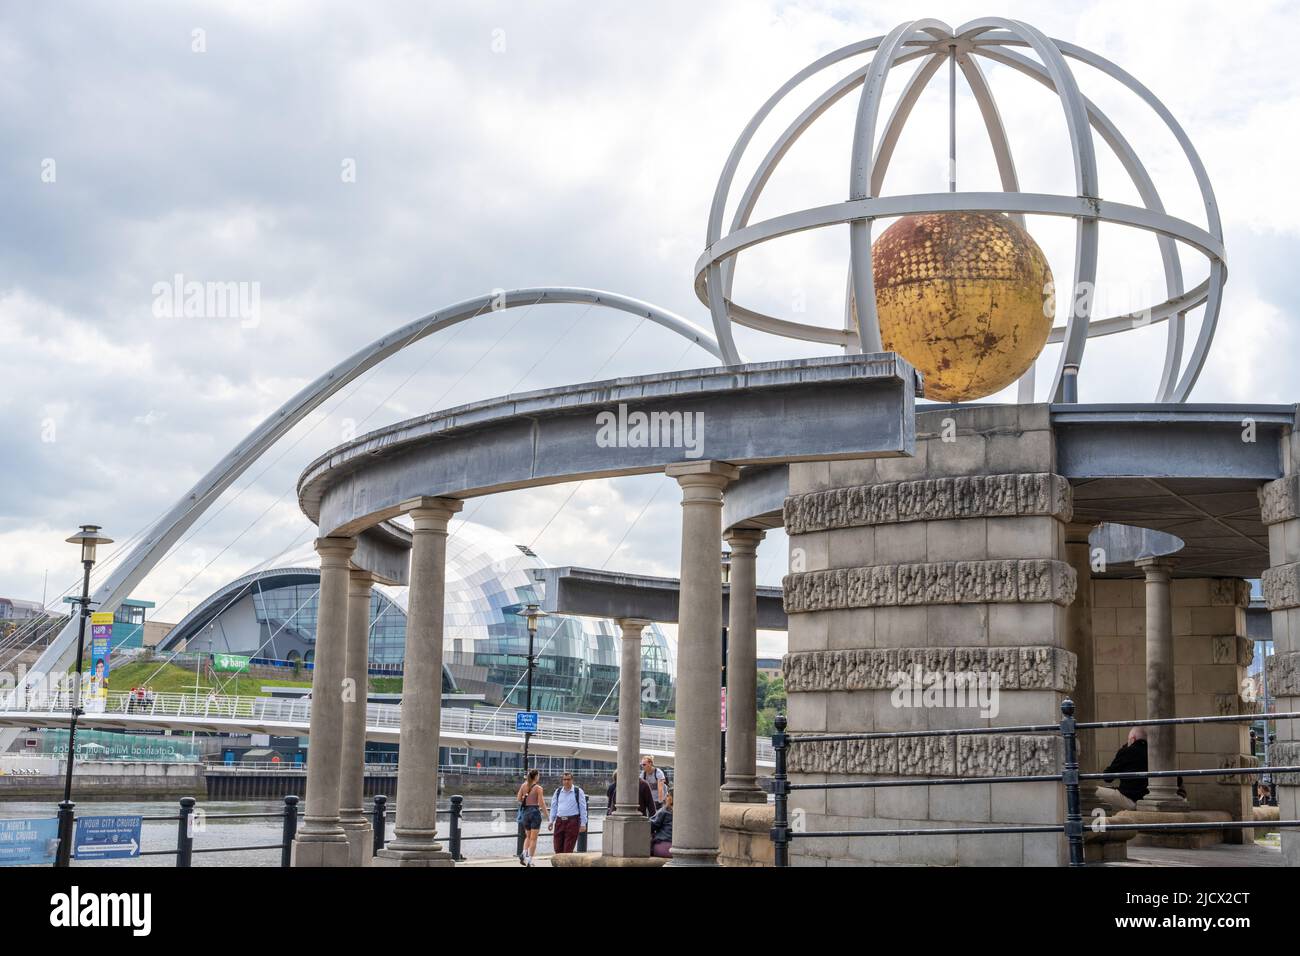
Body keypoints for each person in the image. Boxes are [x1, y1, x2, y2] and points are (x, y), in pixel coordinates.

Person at [1097, 727, 1148, 811]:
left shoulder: (1127, 751)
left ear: (1132, 739)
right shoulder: (1152, 754)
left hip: (1130, 800)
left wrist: (1124, 748)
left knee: (1092, 791)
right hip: (1146, 800)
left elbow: (1107, 777)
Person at [548, 771, 588, 854]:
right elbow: (554, 807)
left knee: (568, 849)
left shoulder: (578, 791)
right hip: (559, 822)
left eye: (568, 779)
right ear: (562, 780)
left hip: (572, 822)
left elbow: (583, 808)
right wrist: (551, 821)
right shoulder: (558, 791)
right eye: (564, 779)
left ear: (572, 780)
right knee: (557, 848)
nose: (566, 781)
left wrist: (583, 823)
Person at [516, 769, 546, 866]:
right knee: (533, 839)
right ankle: (529, 860)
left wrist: (526, 799)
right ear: (536, 776)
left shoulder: (523, 785)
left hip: (525, 813)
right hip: (534, 813)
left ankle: (524, 854)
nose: (539, 777)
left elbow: (518, 798)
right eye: (539, 775)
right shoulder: (538, 788)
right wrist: (547, 815)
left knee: (528, 836)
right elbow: (541, 803)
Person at [649, 789, 673, 858]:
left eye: (668, 796)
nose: (665, 797)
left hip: (663, 846)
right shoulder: (685, 813)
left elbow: (651, 825)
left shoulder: (665, 811)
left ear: (671, 799)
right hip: (679, 848)